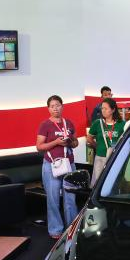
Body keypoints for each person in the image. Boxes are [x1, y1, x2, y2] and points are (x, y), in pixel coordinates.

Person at [36, 95, 79, 239]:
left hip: (69, 164)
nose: (55, 108)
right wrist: (56, 142)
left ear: (62, 106)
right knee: (53, 199)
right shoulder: (45, 125)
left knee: (70, 198)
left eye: (58, 105)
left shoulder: (69, 123)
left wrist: (70, 142)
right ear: (48, 108)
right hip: (51, 165)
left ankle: (72, 227)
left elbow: (75, 143)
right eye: (52, 106)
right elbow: (39, 146)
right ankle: (55, 230)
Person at [87, 98, 125, 187]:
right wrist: (97, 146)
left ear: (113, 110)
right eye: (102, 108)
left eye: (106, 108)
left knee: (114, 183)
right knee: (99, 184)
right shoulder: (97, 123)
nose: (103, 110)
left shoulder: (121, 124)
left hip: (115, 158)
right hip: (100, 158)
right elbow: (89, 138)